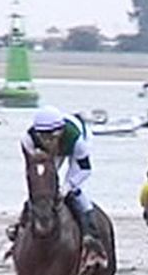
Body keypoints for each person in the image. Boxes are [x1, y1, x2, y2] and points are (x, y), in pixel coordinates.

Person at [14, 105, 107, 263]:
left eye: (51, 138)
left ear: (60, 132)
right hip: (48, 157)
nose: (48, 142)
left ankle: (92, 238)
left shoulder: (77, 141)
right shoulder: (28, 140)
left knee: (74, 192)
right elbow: (32, 172)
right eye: (43, 138)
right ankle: (20, 228)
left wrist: (66, 188)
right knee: (42, 190)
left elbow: (85, 169)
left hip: (73, 150)